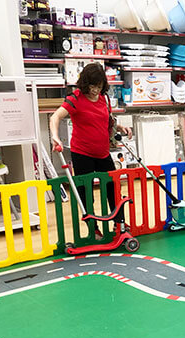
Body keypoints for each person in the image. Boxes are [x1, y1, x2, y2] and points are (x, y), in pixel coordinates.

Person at [49, 63, 131, 236]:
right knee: (86, 193)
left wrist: (120, 128)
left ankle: (120, 224)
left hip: (102, 152)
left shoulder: (104, 98)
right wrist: (55, 136)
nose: (95, 90)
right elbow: (55, 117)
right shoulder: (75, 99)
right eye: (93, 86)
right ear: (86, 83)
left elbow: (106, 121)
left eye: (99, 86)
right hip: (82, 153)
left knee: (112, 188)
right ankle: (93, 229)